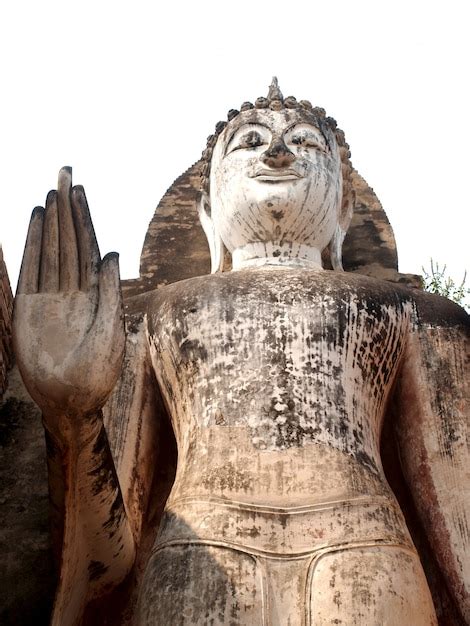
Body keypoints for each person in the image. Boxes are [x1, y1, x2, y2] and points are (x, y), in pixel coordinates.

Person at [13, 79, 469, 625]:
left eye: (305, 143)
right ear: (207, 211)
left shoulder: (412, 314)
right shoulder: (150, 318)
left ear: (343, 212)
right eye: (249, 142)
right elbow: (109, 553)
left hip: (364, 543)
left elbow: (455, 517)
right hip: (200, 547)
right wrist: (73, 413)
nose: (278, 153)